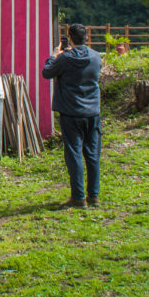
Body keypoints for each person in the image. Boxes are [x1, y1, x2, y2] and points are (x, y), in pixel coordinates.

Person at [42, 23, 102, 209]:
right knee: (92, 154)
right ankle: (94, 196)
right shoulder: (96, 57)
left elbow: (47, 73)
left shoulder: (65, 58)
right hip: (93, 111)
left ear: (69, 37)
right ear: (86, 37)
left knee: (74, 153)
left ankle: (78, 197)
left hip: (71, 111)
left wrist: (53, 56)